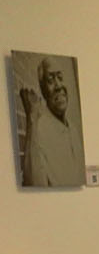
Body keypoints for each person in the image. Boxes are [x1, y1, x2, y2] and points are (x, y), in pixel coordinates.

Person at [23, 56, 85, 186]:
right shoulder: (38, 130)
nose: (58, 86)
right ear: (42, 89)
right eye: (50, 80)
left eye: (60, 77)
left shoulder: (73, 130)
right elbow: (34, 185)